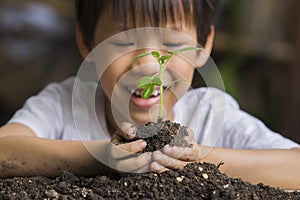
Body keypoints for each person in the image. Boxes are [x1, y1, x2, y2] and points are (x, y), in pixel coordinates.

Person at [0, 0, 299, 190]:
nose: (146, 64)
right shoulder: (64, 105)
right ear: (87, 42)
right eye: (122, 43)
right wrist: (100, 158)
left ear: (204, 44)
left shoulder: (209, 112)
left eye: (172, 43)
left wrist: (197, 160)